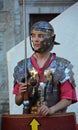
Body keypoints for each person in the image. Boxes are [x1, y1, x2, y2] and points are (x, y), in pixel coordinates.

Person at [13, 21, 77, 115]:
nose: (36, 39)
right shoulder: (22, 66)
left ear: (51, 38)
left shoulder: (62, 65)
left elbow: (68, 98)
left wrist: (51, 110)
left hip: (55, 121)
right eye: (33, 35)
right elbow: (18, 101)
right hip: (30, 121)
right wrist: (21, 93)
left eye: (40, 36)